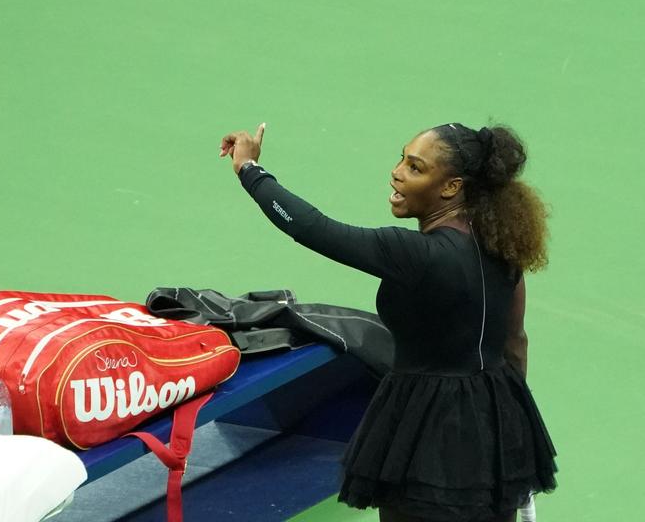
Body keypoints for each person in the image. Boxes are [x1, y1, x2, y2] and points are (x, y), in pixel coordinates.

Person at [218, 122, 557, 522]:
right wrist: (515, 446)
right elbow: (515, 343)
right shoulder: (503, 246)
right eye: (403, 158)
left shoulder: (413, 253)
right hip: (494, 421)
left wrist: (249, 169)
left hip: (424, 430)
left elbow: (310, 228)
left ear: (451, 188)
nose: (397, 171)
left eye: (416, 168)